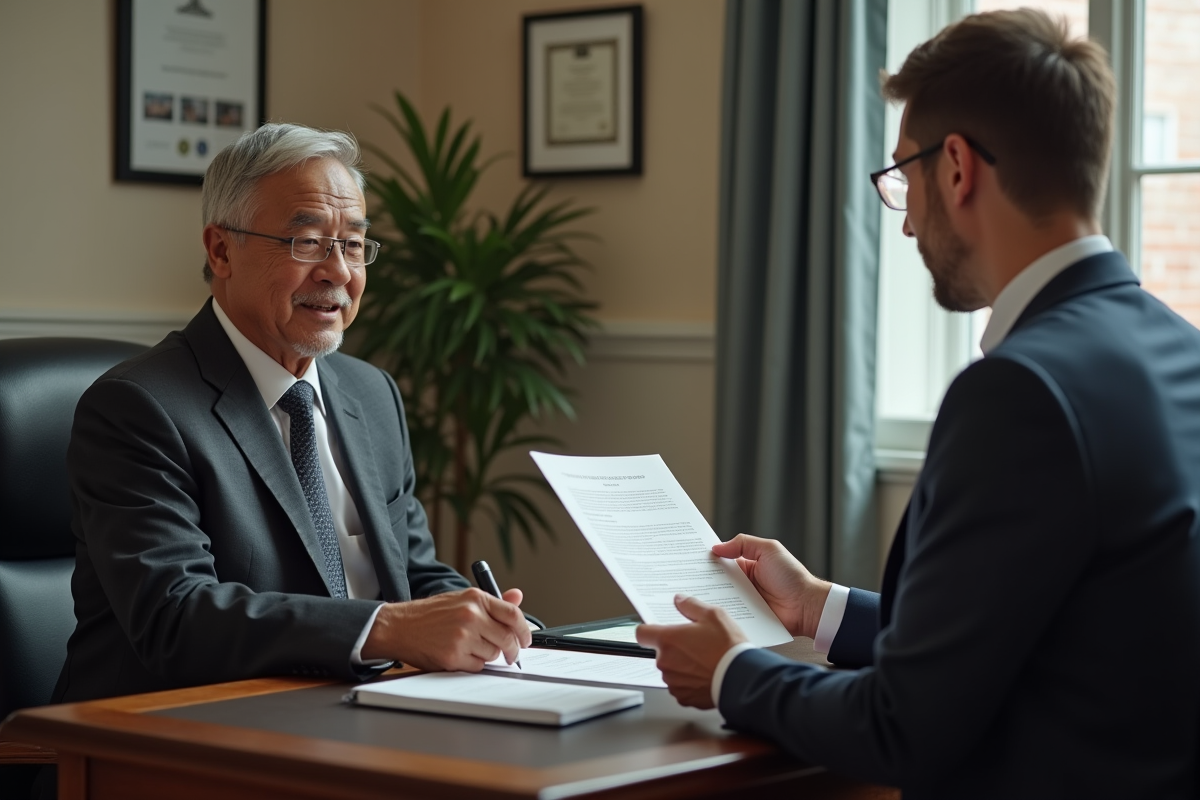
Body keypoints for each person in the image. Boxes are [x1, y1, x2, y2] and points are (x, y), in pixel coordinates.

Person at [637, 9, 1200, 798]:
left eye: (902, 176)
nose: (902, 221)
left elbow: (903, 726)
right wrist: (818, 609)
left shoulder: (1020, 392)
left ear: (959, 167)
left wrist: (733, 673)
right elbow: (1039, 642)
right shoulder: (1182, 351)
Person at [52, 123, 533, 708]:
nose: (338, 273)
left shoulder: (371, 394)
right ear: (221, 250)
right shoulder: (138, 407)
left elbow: (413, 575)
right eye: (306, 242)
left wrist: (480, 618)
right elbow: (174, 616)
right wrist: (384, 628)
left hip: (366, 713)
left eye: (353, 245)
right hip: (176, 739)